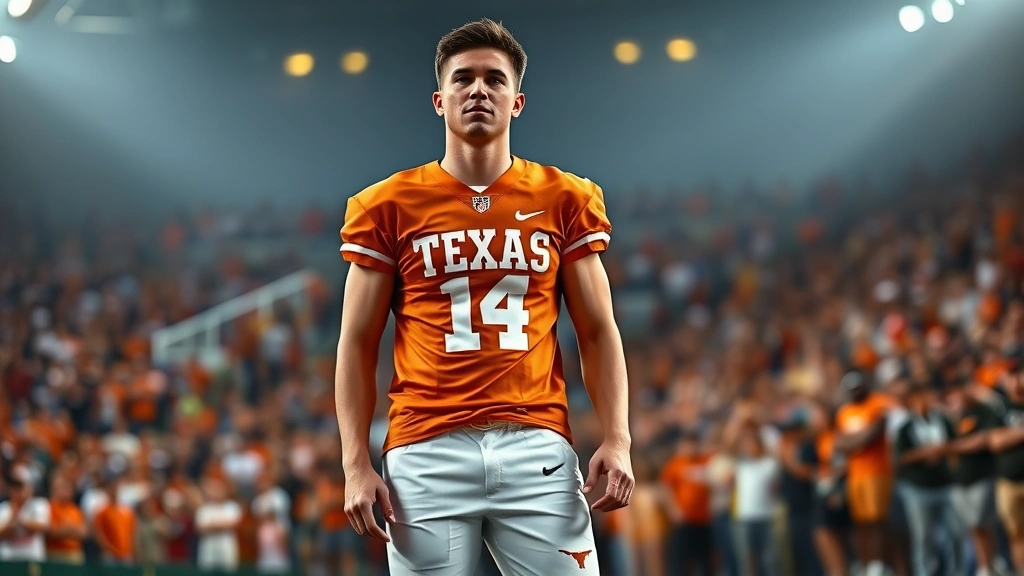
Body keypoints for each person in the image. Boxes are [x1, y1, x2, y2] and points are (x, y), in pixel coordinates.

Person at [335, 17, 632, 575]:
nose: (478, 90)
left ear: (517, 101)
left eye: (494, 79)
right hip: (425, 448)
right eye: (463, 79)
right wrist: (354, 463)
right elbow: (355, 342)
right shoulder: (386, 204)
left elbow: (597, 330)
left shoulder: (565, 197)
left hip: (536, 445)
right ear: (438, 100)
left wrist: (617, 438)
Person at [892, 381, 960, 576]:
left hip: (945, 483)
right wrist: (925, 453)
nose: (922, 402)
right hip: (918, 488)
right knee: (923, 537)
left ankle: (956, 571)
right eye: (918, 398)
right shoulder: (905, 427)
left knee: (955, 533)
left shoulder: (943, 420)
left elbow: (956, 443)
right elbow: (901, 457)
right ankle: (925, 572)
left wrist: (943, 451)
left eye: (926, 396)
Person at [833, 370, 894, 576]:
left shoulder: (877, 403)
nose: (855, 392)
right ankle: (868, 564)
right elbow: (839, 443)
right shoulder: (845, 412)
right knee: (862, 522)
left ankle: (880, 564)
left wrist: (855, 441)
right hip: (856, 474)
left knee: (877, 520)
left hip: (877, 471)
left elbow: (874, 434)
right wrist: (860, 439)